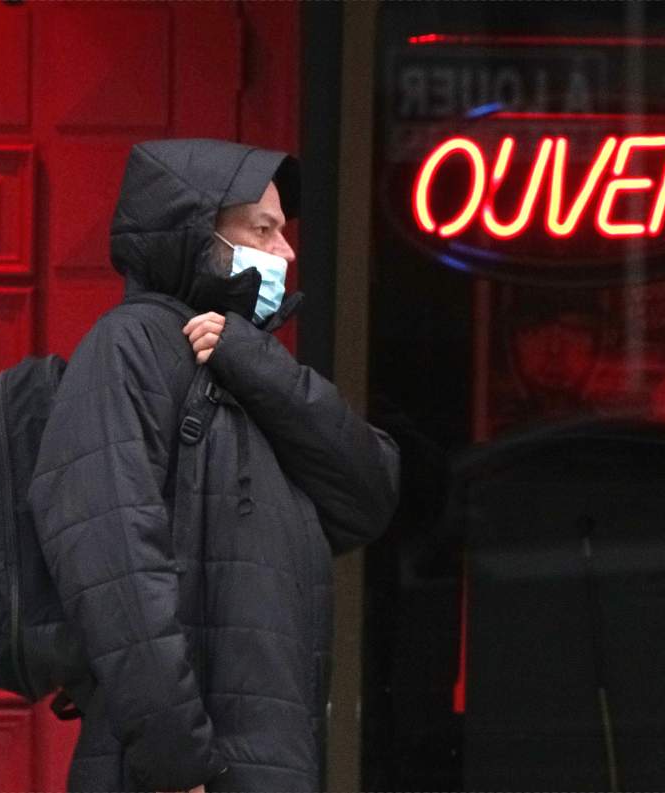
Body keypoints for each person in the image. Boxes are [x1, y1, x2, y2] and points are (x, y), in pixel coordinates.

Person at [28, 138, 401, 793]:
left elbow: (369, 492)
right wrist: (174, 761)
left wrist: (260, 365)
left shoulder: (247, 371)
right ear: (196, 235)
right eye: (263, 230)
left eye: (284, 233)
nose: (286, 252)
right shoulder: (132, 348)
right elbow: (114, 560)